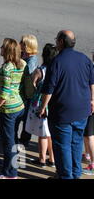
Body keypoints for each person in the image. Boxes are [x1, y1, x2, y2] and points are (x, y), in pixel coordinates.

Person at [38, 30, 94, 179]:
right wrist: (92, 100)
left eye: (57, 39)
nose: (56, 41)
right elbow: (91, 83)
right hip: (82, 111)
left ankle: (65, 176)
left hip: (62, 113)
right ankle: (76, 174)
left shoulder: (56, 62)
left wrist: (42, 107)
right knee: (76, 144)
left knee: (62, 146)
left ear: (61, 42)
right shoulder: (84, 59)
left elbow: (48, 90)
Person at [0, 38, 26, 179]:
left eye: (2, 46)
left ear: (7, 51)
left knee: (8, 141)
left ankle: (10, 173)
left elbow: (4, 93)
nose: (0, 48)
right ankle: (13, 164)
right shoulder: (21, 64)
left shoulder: (7, 69)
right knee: (14, 139)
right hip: (19, 106)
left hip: (8, 109)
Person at [26, 43, 58, 168]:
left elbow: (31, 88)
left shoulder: (40, 71)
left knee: (42, 134)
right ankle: (53, 159)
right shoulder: (56, 70)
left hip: (40, 104)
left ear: (44, 55)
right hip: (53, 104)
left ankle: (42, 159)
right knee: (49, 133)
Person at [19, 34, 39, 147]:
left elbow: (28, 77)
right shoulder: (24, 55)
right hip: (23, 93)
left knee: (26, 118)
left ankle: (24, 140)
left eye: (22, 42)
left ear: (27, 45)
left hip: (28, 95)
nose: (19, 43)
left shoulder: (31, 60)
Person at [82, 50, 94, 175]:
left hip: (91, 105)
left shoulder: (93, 69)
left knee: (89, 135)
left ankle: (92, 165)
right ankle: (88, 155)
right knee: (87, 134)